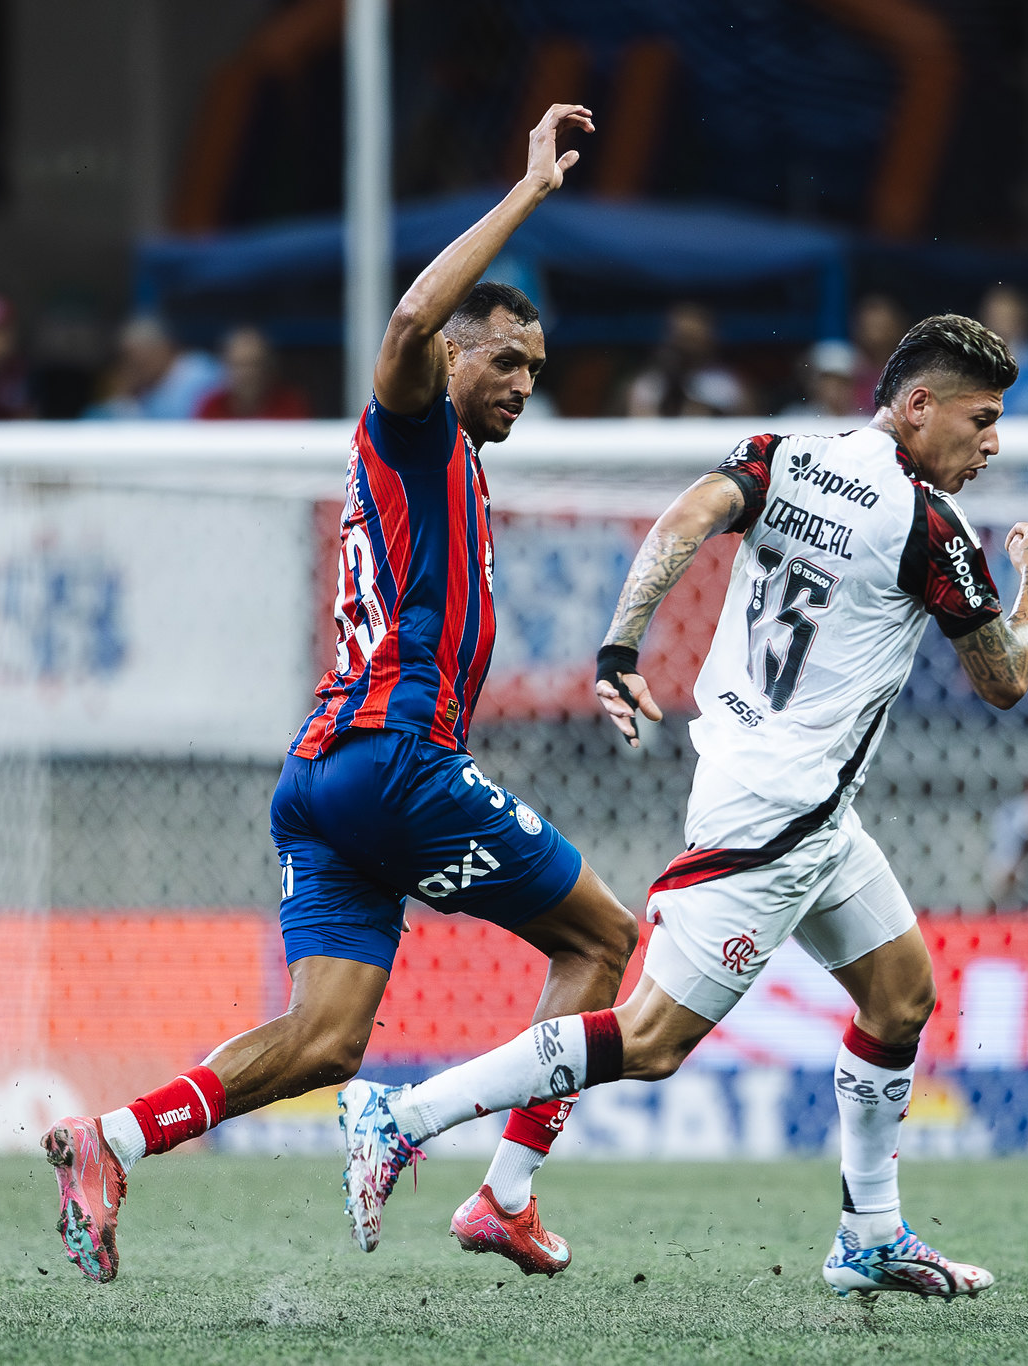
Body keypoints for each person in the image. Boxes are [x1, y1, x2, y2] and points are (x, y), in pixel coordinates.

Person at [340, 314, 1028, 1302]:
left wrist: (619, 646)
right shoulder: (930, 529)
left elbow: (683, 520)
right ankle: (404, 1117)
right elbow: (1005, 679)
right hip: (782, 813)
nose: (991, 444)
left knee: (900, 996)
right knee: (647, 1041)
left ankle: (869, 1232)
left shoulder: (781, 455)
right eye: (980, 420)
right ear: (916, 406)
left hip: (777, 789)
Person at [39, 104, 641, 1287]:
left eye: (535, 366)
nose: (520, 382)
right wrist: (526, 193)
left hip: (320, 780)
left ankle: (109, 1142)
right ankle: (504, 1195)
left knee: (324, 1040)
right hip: (392, 760)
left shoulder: (448, 466)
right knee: (604, 939)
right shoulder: (412, 425)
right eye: (503, 359)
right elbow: (415, 314)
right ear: (454, 362)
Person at [624, 302, 752, 417]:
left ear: (709, 338)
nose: (686, 346)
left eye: (693, 338)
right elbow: (635, 427)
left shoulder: (729, 385)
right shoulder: (647, 384)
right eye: (681, 337)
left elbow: (748, 427)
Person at [86, 316, 224, 420]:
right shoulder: (147, 386)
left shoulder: (198, 371)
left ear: (162, 346)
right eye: (129, 358)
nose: (133, 365)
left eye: (137, 356)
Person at [195, 326, 312, 420]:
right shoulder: (211, 407)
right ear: (225, 366)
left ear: (268, 366)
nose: (247, 374)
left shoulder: (291, 405)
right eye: (239, 365)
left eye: (254, 364)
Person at [979, 285, 1028, 416]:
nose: (1000, 323)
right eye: (995, 316)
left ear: (1020, 319)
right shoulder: (974, 356)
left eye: (1006, 317)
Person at [849, 294, 908, 411]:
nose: (874, 334)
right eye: (868, 326)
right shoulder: (848, 368)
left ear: (898, 325)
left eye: (880, 326)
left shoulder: (912, 369)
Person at [783, 340, 865, 419]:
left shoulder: (864, 421)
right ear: (815, 385)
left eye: (842, 383)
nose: (835, 390)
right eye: (829, 383)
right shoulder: (795, 417)